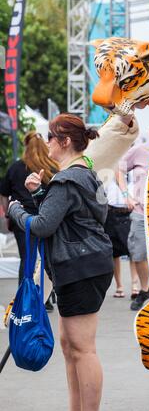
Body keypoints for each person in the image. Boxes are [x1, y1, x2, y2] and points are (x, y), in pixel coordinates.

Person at [8, 114, 114, 411]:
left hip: (81, 267)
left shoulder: (67, 179)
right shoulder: (86, 173)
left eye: (51, 138)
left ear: (65, 142)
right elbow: (78, 215)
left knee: (83, 349)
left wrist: (16, 210)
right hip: (85, 264)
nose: (47, 143)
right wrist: (40, 193)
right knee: (71, 347)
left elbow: (42, 226)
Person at [0, 131, 59, 311]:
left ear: (26, 146)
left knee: (27, 259)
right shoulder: (53, 167)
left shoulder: (16, 167)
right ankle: (47, 297)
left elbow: (4, 194)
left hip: (22, 220)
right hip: (47, 217)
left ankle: (24, 299)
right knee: (48, 257)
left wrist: (9, 214)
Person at [117, 116, 149, 311]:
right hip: (140, 211)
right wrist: (126, 195)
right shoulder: (139, 151)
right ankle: (145, 290)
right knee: (138, 254)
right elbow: (119, 168)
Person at [104, 173, 139, 298]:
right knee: (114, 253)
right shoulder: (109, 171)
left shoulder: (134, 171)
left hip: (130, 213)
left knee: (133, 251)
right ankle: (119, 286)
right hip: (112, 213)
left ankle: (135, 285)